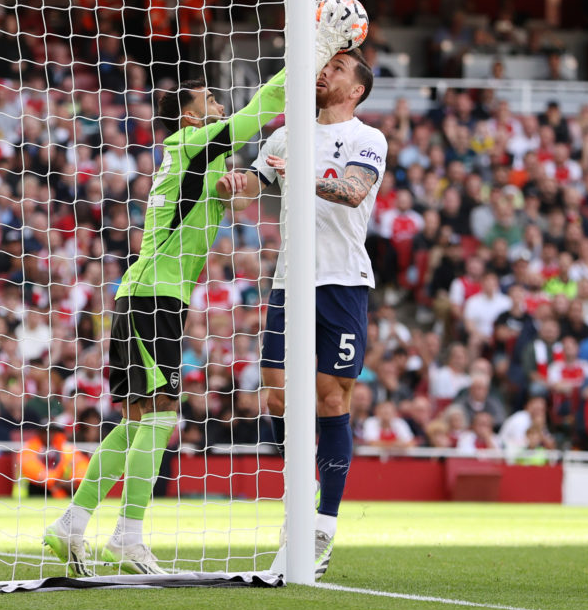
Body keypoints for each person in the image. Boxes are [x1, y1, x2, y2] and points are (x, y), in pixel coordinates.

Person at [43, 68, 288, 576]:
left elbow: (231, 197)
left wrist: (249, 181)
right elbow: (260, 109)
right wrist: (312, 52)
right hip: (155, 295)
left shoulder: (194, 156)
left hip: (144, 294)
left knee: (137, 421)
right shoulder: (195, 143)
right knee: (160, 418)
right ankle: (128, 536)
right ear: (191, 114)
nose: (219, 102)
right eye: (210, 98)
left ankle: (72, 521)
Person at [220, 48, 385, 581]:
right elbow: (250, 192)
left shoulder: (366, 139)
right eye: (326, 65)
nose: (325, 72)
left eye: (338, 69)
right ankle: (296, 509)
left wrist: (303, 176)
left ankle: (323, 526)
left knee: (332, 396)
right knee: (274, 389)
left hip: (342, 282)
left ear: (356, 89)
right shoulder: (287, 133)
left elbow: (353, 191)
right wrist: (233, 186)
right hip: (291, 279)